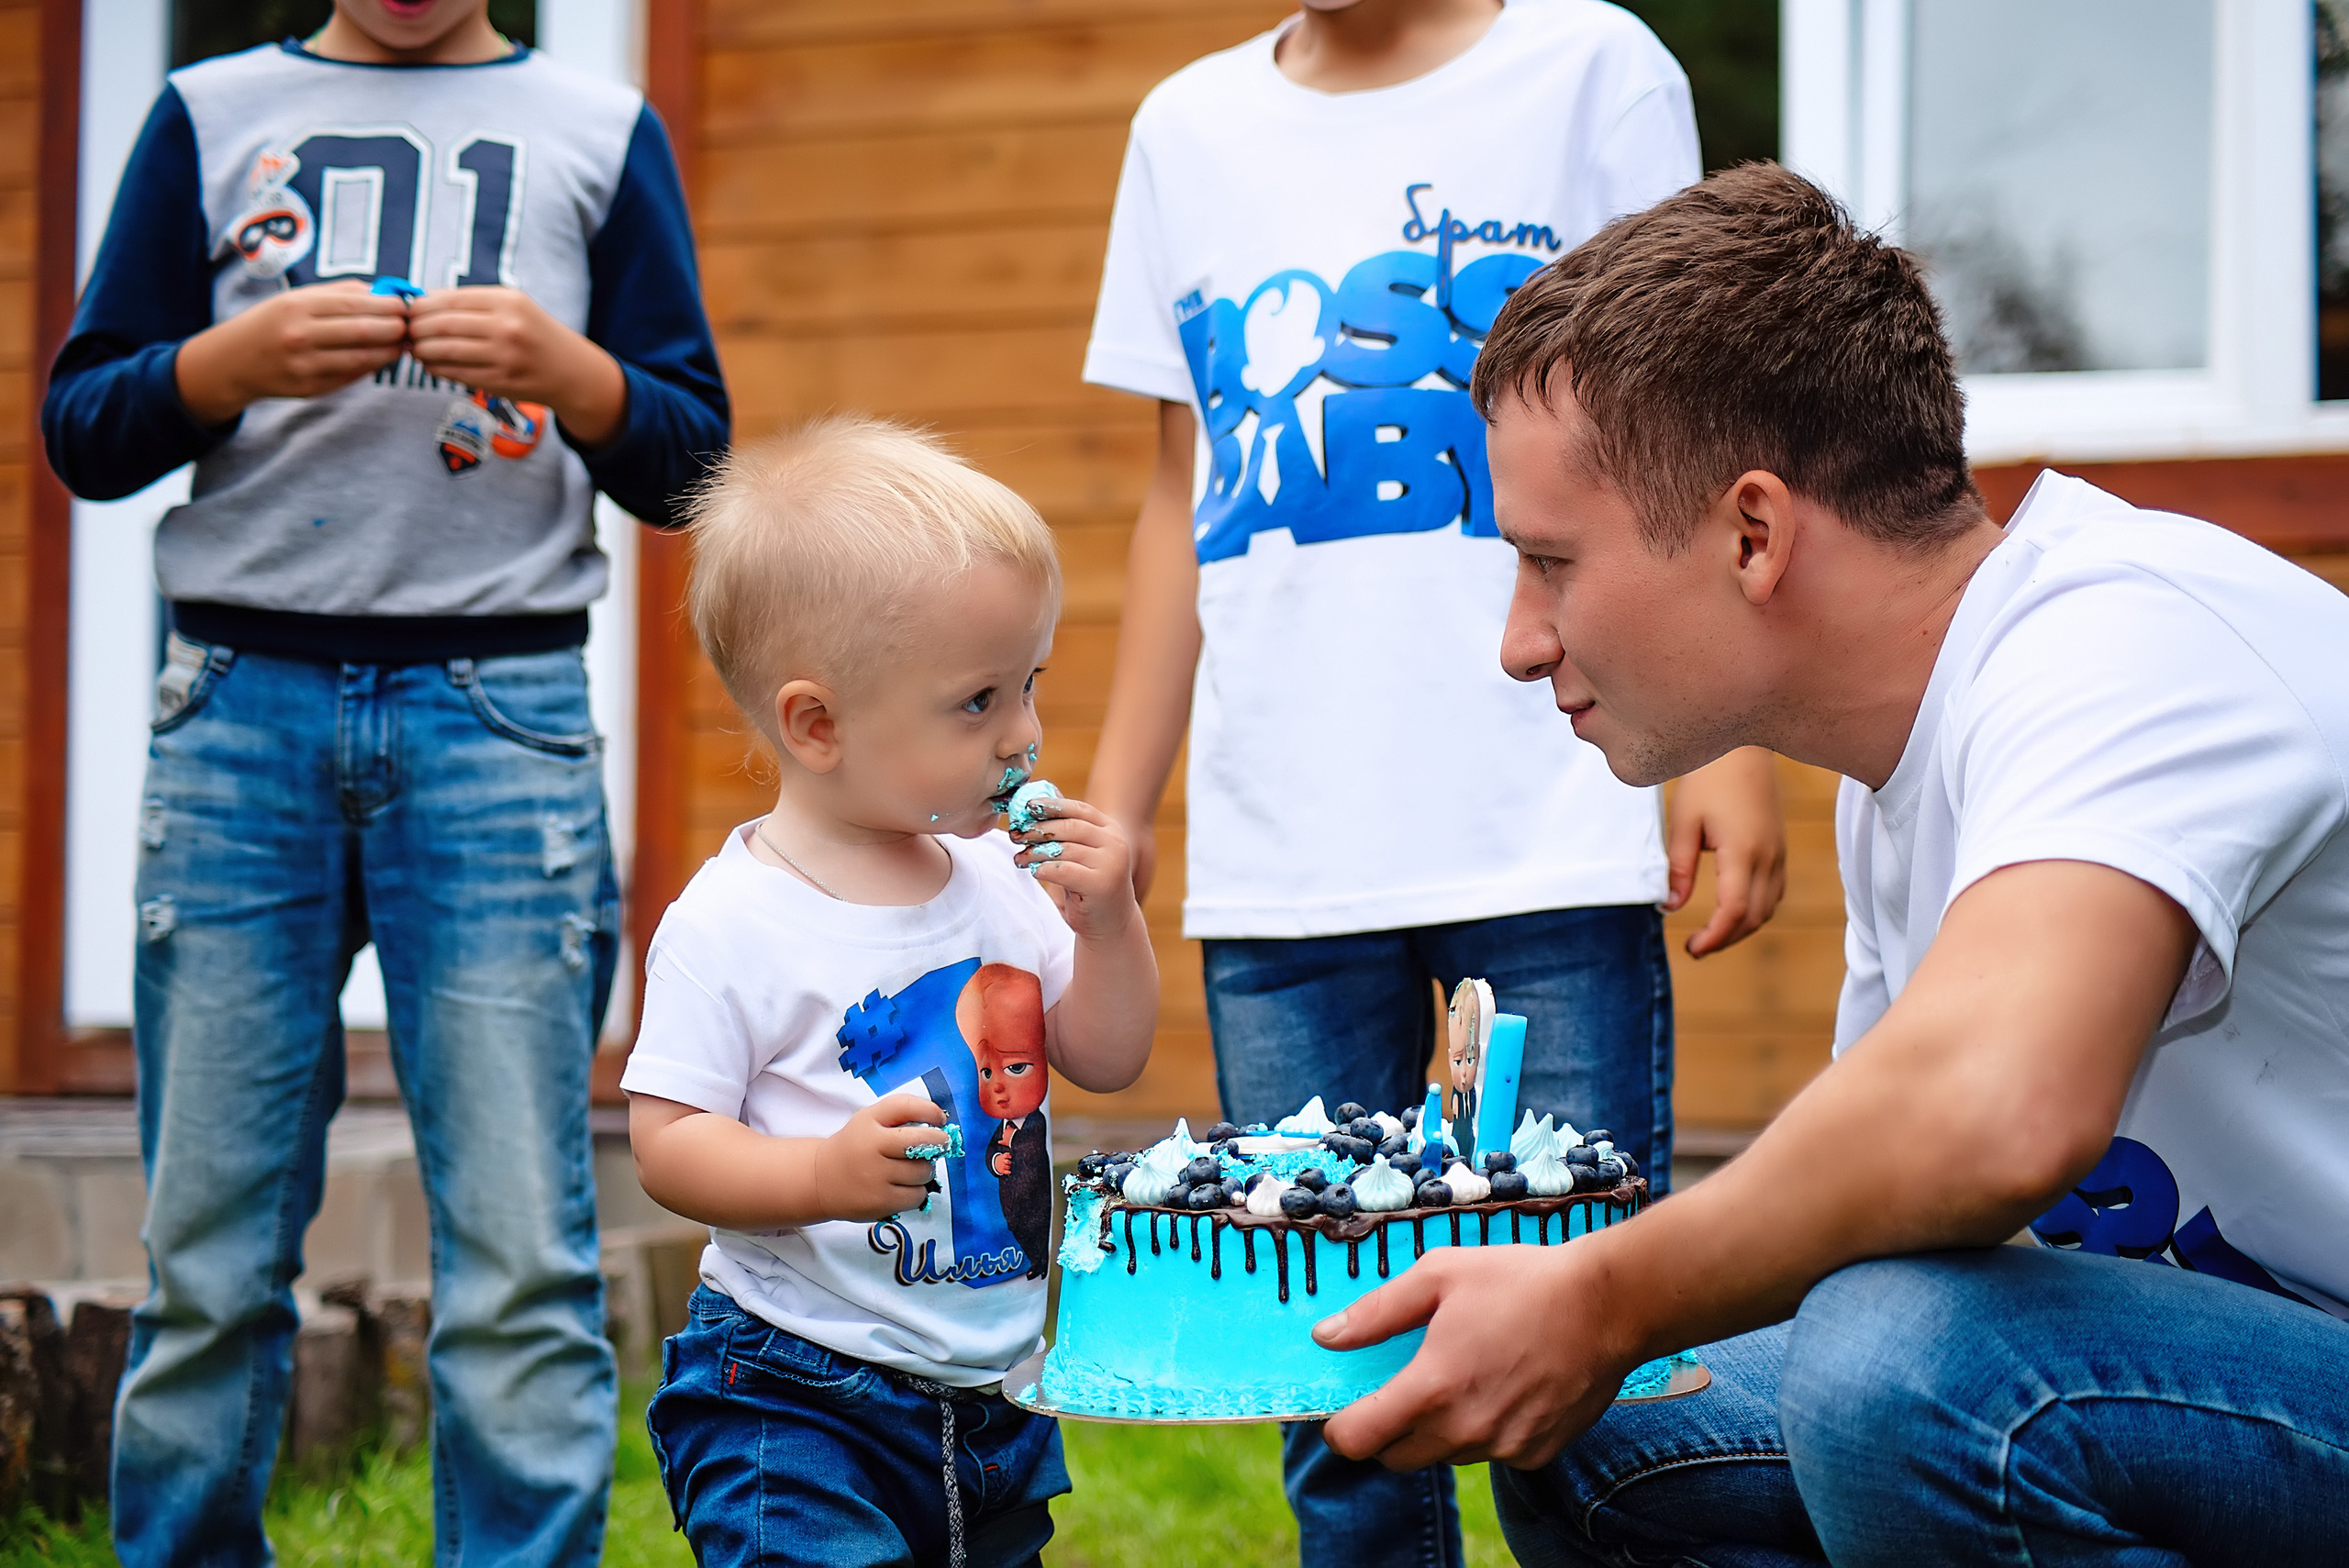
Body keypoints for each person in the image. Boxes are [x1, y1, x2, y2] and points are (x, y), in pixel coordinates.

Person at [1310, 164, 2349, 1565]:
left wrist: (1605, 1293)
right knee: (1612, 1417)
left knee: (1909, 1366)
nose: (1520, 638)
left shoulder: (2131, 645)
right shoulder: (1904, 775)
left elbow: (1996, 1117)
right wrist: (1594, 1314)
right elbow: (1884, 1205)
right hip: (2246, 1389)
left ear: (1754, 532)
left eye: (1550, 563)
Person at [1080, 0, 1786, 1557]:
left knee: (1594, 1362)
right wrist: (1120, 799)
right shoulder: (1183, 130)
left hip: (1547, 827)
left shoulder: (1594, 68)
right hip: (1281, 863)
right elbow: (1169, 491)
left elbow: (1693, 419)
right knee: (1333, 1397)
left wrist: (1719, 739)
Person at [39, 0, 728, 1559]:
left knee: (521, 1253)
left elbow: (694, 457)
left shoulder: (600, 130)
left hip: (501, 716)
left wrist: (577, 373)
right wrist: (223, 362)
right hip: (237, 710)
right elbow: (84, 424)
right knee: (207, 1247)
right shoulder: (207, 113)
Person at [626, 418, 1159, 1567]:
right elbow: (667, 1143)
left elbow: (1107, 1054)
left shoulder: (999, 884)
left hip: (989, 1393)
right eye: (977, 703)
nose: (1023, 736)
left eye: (1030, 685)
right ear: (816, 724)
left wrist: (1108, 921)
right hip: (794, 1387)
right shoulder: (730, 924)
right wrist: (818, 1173)